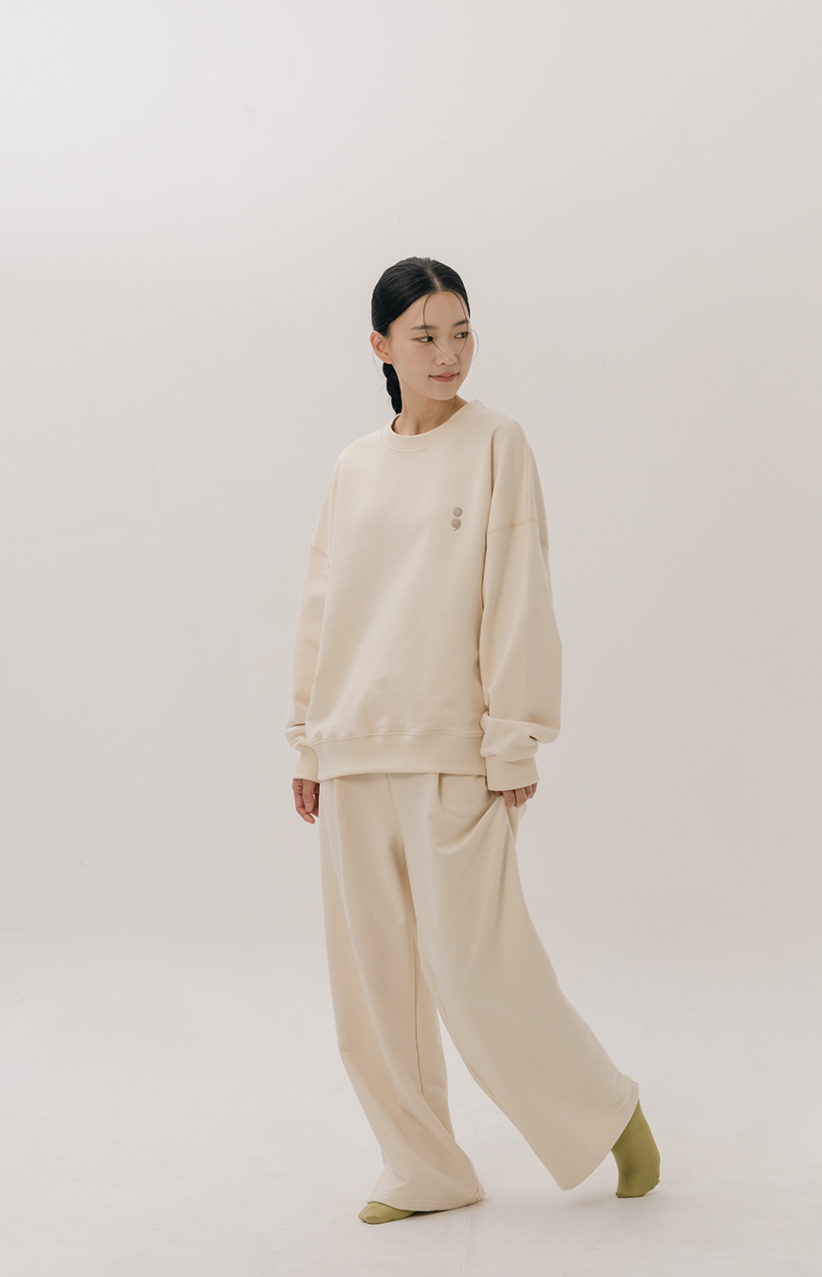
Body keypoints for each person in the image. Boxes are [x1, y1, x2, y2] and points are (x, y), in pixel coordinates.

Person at [286, 256, 661, 1224]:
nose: (447, 353)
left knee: (479, 972)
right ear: (381, 347)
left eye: (460, 332)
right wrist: (308, 742)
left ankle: (608, 1113)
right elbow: (324, 604)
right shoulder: (354, 466)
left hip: (452, 749)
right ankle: (425, 1169)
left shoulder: (498, 443)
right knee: (373, 990)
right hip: (354, 747)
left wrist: (513, 738)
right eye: (425, 336)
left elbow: (516, 591)